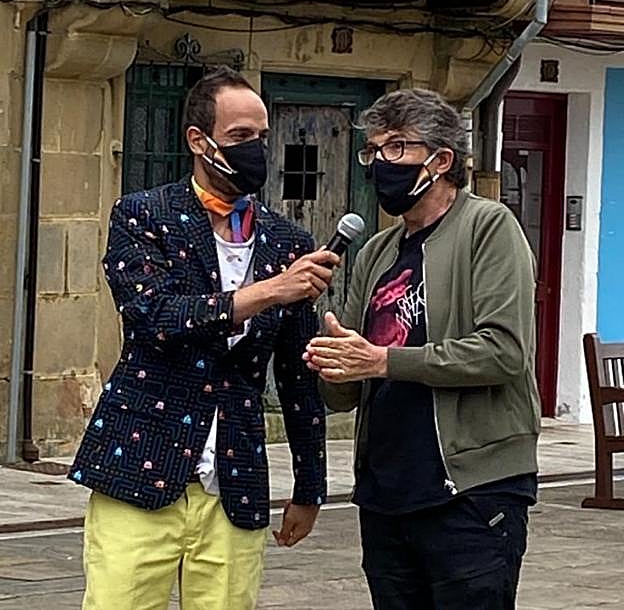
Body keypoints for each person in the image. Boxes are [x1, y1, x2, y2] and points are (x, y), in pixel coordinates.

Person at [69, 65, 339, 610]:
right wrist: (269, 291)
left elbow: (297, 375)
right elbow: (155, 317)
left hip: (235, 481)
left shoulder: (287, 241)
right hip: (139, 464)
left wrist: (310, 485)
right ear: (199, 140)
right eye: (240, 136)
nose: (255, 148)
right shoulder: (145, 215)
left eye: (261, 136)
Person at [305, 88, 540, 610]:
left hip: (471, 492)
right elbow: (347, 393)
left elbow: (504, 351)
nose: (379, 164)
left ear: (442, 160)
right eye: (372, 151)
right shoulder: (377, 252)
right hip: (387, 492)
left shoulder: (488, 227)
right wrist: (331, 362)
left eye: (395, 148)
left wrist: (383, 360)